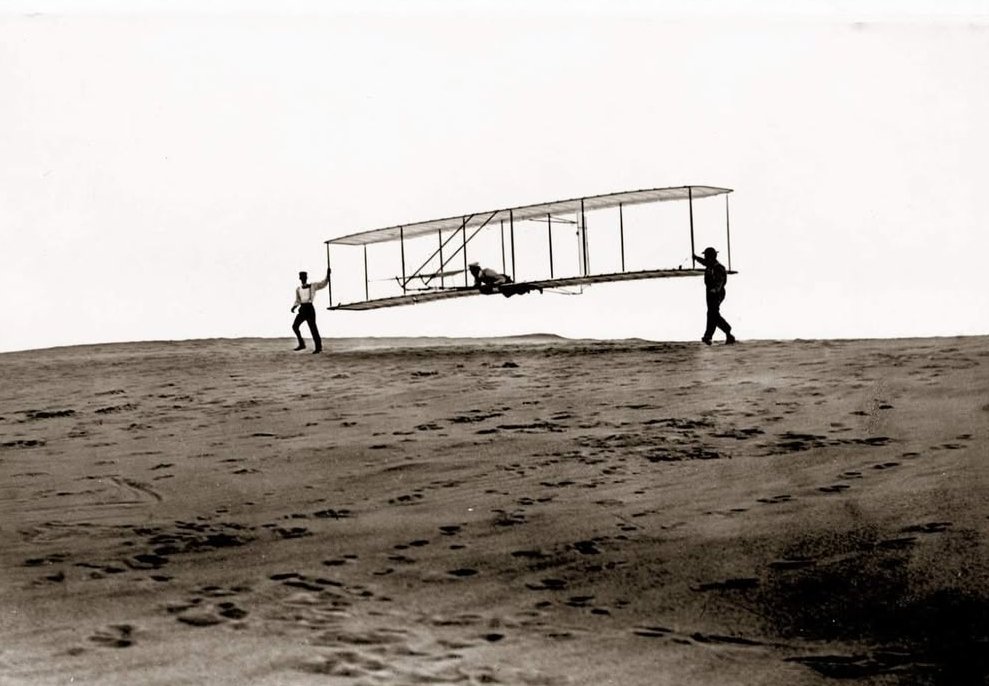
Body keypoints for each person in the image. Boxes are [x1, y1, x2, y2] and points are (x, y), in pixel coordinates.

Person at [693, 247, 736, 345]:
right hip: (710, 292)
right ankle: (711, 335)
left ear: (710, 257)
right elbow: (704, 262)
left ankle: (722, 332)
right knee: (712, 314)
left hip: (717, 293)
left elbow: (720, 281)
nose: (705, 257)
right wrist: (696, 258)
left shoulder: (718, 267)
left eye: (706, 256)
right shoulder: (710, 265)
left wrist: (715, 290)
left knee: (713, 314)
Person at [291, 269, 330, 353]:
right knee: (295, 326)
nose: (303, 278)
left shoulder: (313, 286)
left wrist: (327, 275)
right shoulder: (298, 289)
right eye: (302, 277)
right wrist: (294, 307)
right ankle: (302, 344)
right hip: (302, 309)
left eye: (304, 277)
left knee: (313, 328)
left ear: (307, 277)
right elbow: (298, 300)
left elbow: (323, 284)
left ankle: (318, 347)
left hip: (309, 309)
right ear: (300, 278)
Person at [468, 262, 543, 297]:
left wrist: (494, 284)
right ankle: (527, 288)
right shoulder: (477, 276)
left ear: (477, 270)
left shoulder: (487, 272)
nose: (472, 273)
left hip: (505, 281)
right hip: (500, 285)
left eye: (472, 271)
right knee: (508, 294)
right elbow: (477, 285)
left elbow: (502, 279)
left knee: (516, 290)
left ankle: (533, 287)